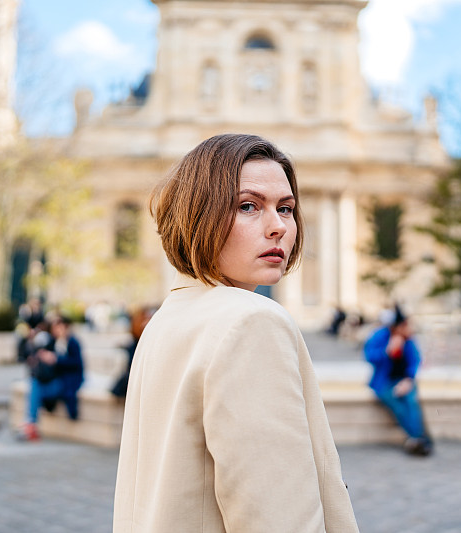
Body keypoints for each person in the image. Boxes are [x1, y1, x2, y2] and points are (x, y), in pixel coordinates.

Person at [112, 134, 359, 532]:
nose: (278, 226)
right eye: (248, 206)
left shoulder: (165, 320)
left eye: (286, 208)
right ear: (200, 215)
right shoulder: (252, 322)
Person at [363, 305, 433, 456]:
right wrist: (386, 351)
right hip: (385, 382)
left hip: (404, 380)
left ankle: (416, 439)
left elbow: (415, 361)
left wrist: (408, 380)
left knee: (411, 401)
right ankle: (418, 438)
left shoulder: (409, 340)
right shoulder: (380, 336)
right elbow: (369, 356)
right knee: (397, 404)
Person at [20, 315, 84, 441]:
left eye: (60, 327)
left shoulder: (72, 342)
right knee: (35, 383)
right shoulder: (52, 342)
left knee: (35, 387)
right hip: (55, 380)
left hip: (67, 382)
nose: (57, 331)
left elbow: (77, 363)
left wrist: (56, 359)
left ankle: (31, 423)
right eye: (55, 328)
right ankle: (31, 424)